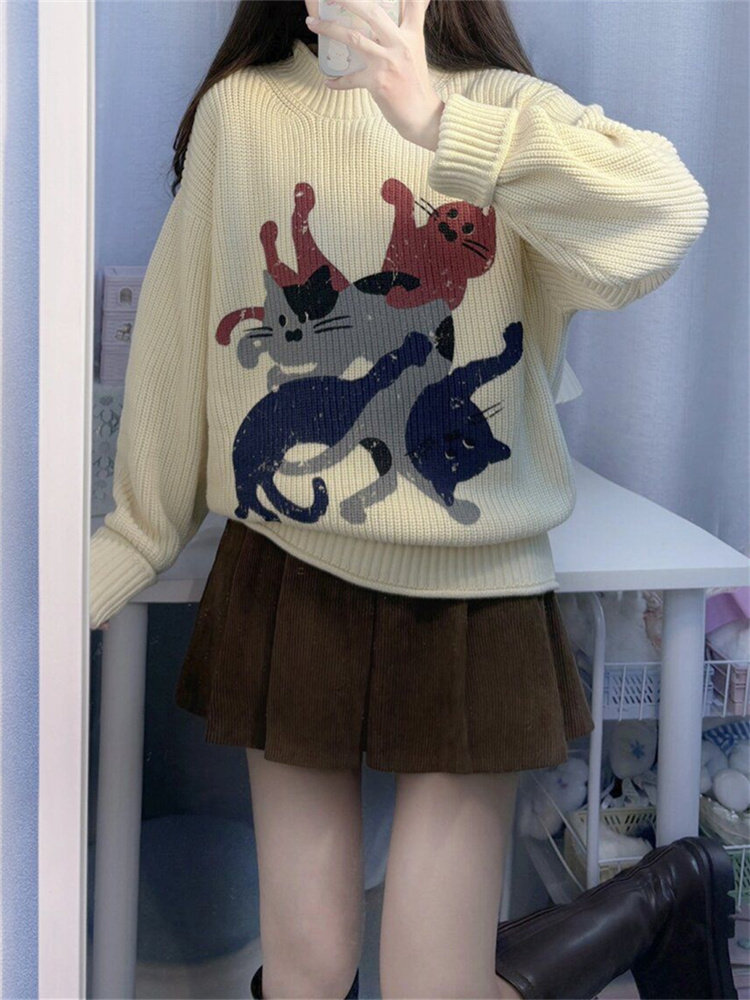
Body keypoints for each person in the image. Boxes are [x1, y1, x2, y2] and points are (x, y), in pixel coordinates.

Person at [88, 1, 726, 997]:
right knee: (307, 970)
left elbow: (666, 215)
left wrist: (439, 123)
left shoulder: (502, 110)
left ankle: (653, 899)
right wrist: (123, 546)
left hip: (476, 593)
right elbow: (176, 345)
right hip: (291, 574)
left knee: (435, 985)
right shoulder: (242, 112)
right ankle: (647, 904)